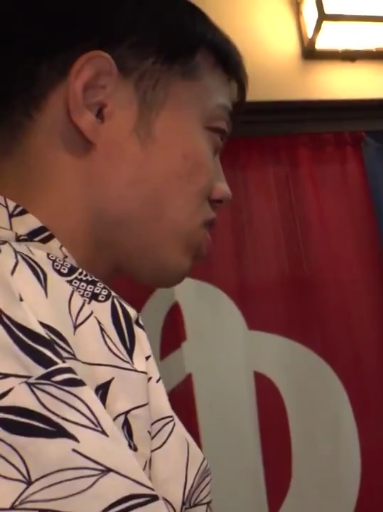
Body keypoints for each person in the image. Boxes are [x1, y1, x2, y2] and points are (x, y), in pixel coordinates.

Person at [0, 1, 247, 510]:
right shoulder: (12, 293)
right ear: (98, 102)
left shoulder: (53, 298)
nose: (222, 188)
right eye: (215, 135)